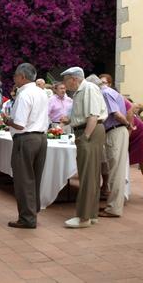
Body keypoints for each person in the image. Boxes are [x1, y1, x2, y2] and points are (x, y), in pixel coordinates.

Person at [2, 63, 48, 229]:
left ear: (22, 77)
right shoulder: (41, 92)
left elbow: (20, 124)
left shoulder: (24, 94)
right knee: (35, 177)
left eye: (15, 76)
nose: (14, 79)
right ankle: (32, 211)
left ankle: (27, 218)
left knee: (24, 179)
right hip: (41, 137)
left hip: (26, 138)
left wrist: (6, 120)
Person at [61, 67, 107, 228]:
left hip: (90, 132)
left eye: (66, 80)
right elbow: (86, 115)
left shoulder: (88, 88)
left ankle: (83, 217)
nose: (65, 85)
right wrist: (70, 120)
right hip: (89, 130)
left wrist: (85, 137)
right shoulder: (83, 90)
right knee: (91, 175)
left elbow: (93, 116)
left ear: (74, 79)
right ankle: (91, 214)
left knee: (87, 175)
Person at [86, 75, 129, 218]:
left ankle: (113, 209)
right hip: (117, 131)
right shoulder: (111, 91)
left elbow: (116, 114)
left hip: (115, 131)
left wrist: (127, 124)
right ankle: (113, 206)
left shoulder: (104, 93)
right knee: (116, 170)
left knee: (115, 172)